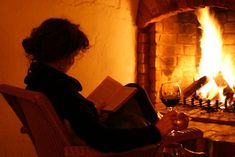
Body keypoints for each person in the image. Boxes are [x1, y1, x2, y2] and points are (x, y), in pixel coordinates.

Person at [22, 18, 177, 152]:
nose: (73, 60)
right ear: (65, 55)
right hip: (103, 145)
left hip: (89, 130)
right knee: (135, 100)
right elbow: (103, 139)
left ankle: (160, 127)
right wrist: (155, 132)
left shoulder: (37, 81)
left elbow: (74, 116)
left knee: (132, 88)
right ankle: (162, 132)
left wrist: (92, 112)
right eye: (74, 54)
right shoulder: (60, 88)